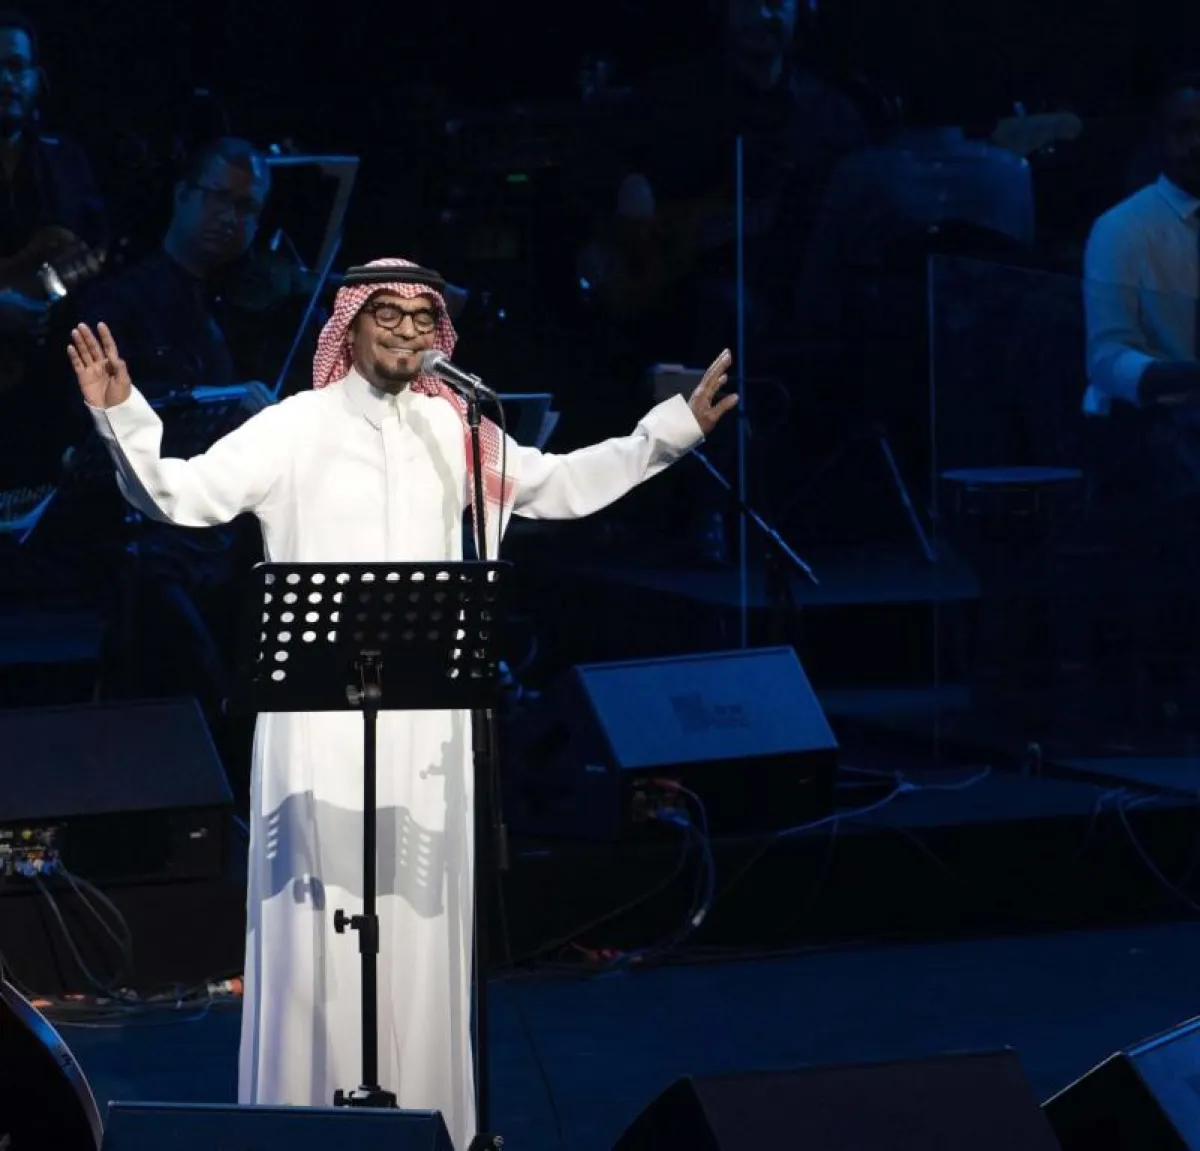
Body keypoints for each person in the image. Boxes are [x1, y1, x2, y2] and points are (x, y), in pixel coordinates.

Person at [67, 257, 736, 1151]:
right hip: (316, 729)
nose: (409, 332)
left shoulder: (457, 430)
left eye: (425, 318)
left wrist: (671, 430)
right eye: (389, 313)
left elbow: (561, 484)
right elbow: (181, 495)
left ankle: (425, 1124)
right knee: (318, 923)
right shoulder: (293, 427)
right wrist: (123, 414)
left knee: (418, 928)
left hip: (427, 726)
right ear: (350, 324)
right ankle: (307, 1130)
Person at [70, 137, 273, 761]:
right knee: (164, 599)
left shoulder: (255, 307)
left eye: (248, 208)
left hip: (235, 527)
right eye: (219, 199)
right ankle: (209, 746)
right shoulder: (119, 302)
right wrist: (222, 401)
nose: (231, 218)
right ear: (182, 196)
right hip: (157, 528)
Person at [1082, 72, 1200, 727]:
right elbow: (1107, 360)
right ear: (1161, 138)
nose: (1198, 143)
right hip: (1155, 430)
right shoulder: (1124, 229)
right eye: (1186, 130)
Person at [0, 8, 107, 492]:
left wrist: (44, 292)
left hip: (43, 396)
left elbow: (93, 254)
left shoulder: (65, 160)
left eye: (16, 67)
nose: (7, 80)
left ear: (36, 77)